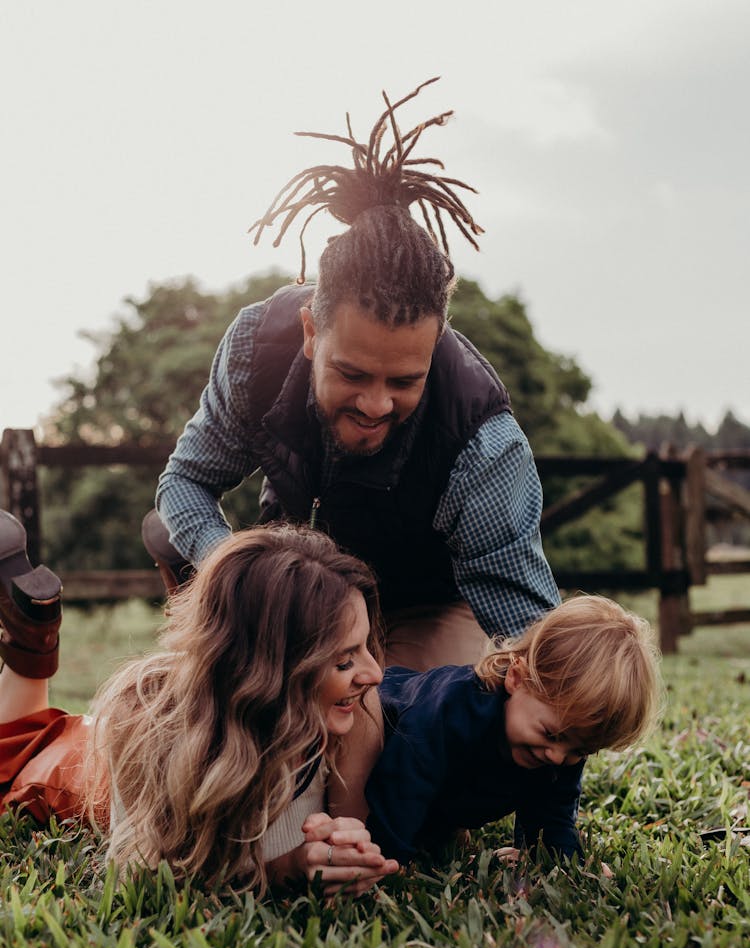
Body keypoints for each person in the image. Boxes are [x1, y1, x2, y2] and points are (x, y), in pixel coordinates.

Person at [147, 78, 560, 672]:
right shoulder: (254, 349)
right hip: (296, 594)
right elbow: (183, 483)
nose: (374, 404)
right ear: (312, 331)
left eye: (403, 382)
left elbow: (526, 632)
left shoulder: (484, 443)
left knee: (380, 735)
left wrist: (556, 705)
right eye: (352, 372)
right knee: (213, 718)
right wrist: (240, 576)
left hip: (424, 606)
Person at [0, 509, 398, 896]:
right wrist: (285, 871)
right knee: (14, 750)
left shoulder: (355, 711)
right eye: (344, 660)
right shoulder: (144, 723)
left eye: (365, 648)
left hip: (212, 697)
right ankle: (33, 634)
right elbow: (145, 877)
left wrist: (349, 854)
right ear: (273, 669)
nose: (375, 674)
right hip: (79, 771)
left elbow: (351, 840)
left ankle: (197, 590)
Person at [331, 594, 662, 864]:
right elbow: (401, 786)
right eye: (551, 734)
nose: (558, 757)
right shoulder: (447, 713)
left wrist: (556, 859)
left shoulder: (563, 743)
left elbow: (555, 810)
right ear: (516, 678)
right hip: (367, 736)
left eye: (581, 751)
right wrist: (390, 859)